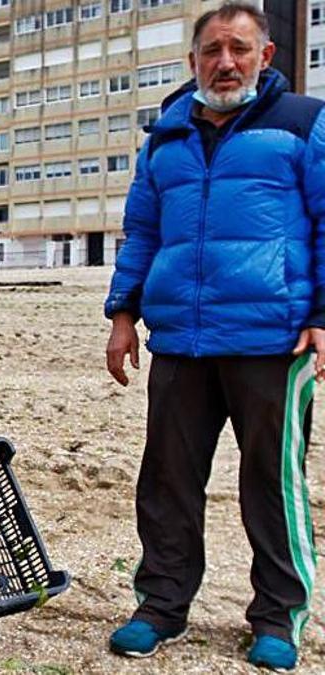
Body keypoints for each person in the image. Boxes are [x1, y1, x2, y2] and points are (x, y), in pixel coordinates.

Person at [104, 4, 325, 671]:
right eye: (211, 50)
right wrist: (122, 313)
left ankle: (278, 617)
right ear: (194, 59)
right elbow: (142, 229)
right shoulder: (164, 137)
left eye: (239, 48)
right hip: (180, 341)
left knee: (271, 483)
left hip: (273, 339)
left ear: (267, 55)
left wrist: (321, 315)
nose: (225, 62)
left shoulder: (304, 124)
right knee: (168, 480)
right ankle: (160, 604)